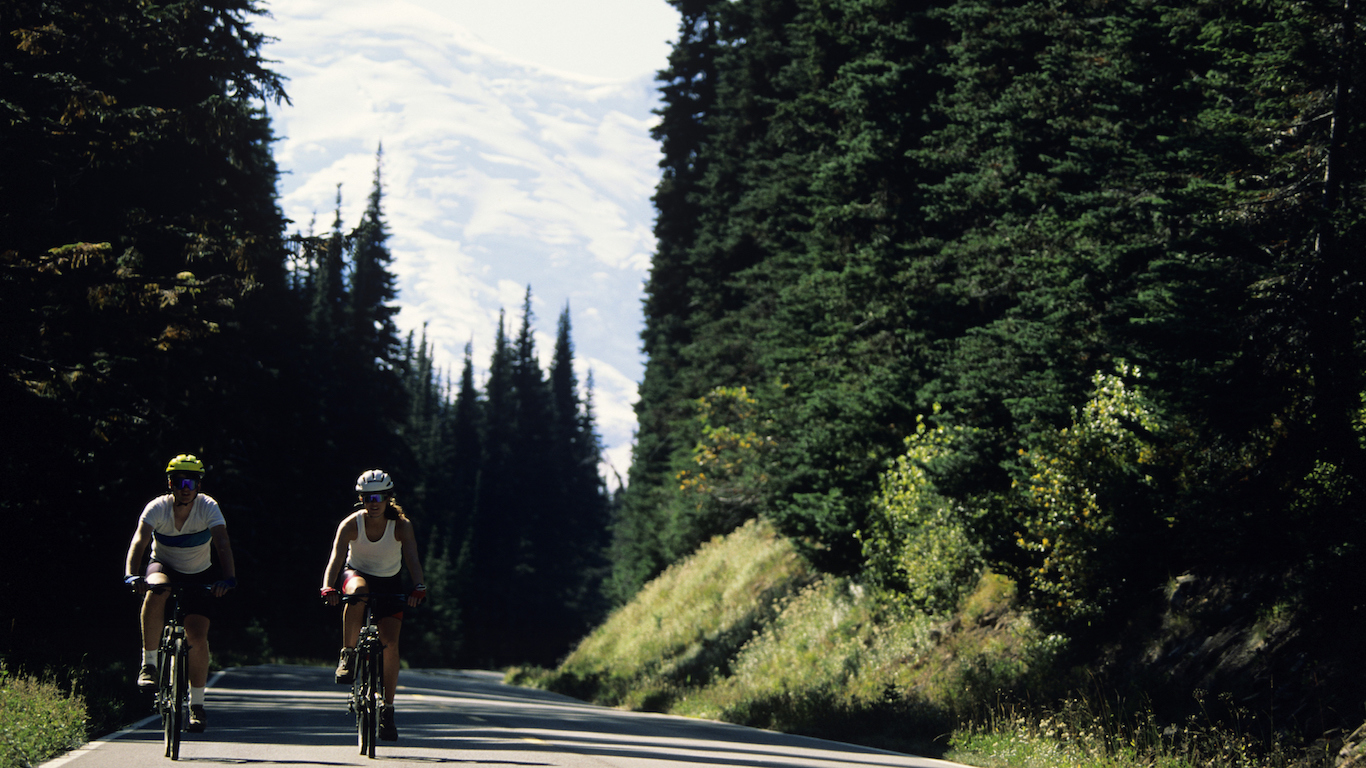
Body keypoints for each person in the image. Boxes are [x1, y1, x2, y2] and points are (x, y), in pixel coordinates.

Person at [124, 454, 237, 734]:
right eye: (179, 481)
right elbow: (139, 541)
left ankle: (197, 706)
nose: (186, 487)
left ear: (199, 485)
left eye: (192, 481)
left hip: (200, 574)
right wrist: (132, 574)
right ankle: (148, 664)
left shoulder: (208, 507)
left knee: (197, 638)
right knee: (158, 589)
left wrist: (228, 578)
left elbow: (222, 541)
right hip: (164, 567)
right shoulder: (157, 508)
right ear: (170, 483)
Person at [321, 469, 426, 742]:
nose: (374, 502)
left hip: (389, 582)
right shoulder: (351, 524)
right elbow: (335, 558)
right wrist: (328, 586)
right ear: (361, 499)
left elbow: (413, 559)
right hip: (355, 575)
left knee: (390, 644)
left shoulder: (402, 526)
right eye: (368, 497)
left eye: (379, 497)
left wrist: (419, 586)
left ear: (389, 498)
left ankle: (387, 709)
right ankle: (347, 654)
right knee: (358, 592)